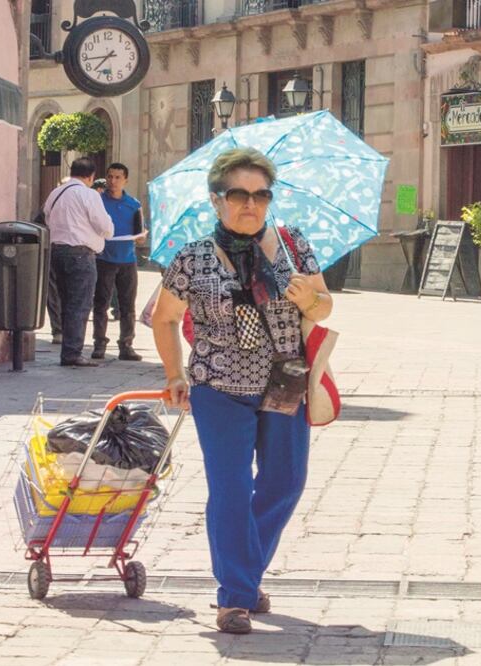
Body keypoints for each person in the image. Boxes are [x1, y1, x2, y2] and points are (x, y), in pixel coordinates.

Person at [152, 148, 331, 634]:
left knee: (285, 482)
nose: (251, 204)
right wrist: (174, 374)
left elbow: (325, 305)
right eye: (239, 194)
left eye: (261, 194)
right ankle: (234, 596)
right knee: (230, 490)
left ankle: (245, 578)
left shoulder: (293, 246)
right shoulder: (193, 256)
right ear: (217, 200)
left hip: (284, 382)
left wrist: (307, 296)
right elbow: (163, 318)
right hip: (219, 386)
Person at [43, 157, 113, 367]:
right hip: (81, 254)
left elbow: (47, 218)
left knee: (65, 302)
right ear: (91, 176)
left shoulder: (55, 193)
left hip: (57, 252)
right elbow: (105, 227)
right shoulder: (88, 194)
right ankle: (72, 353)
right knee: (80, 305)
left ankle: (68, 349)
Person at [92, 163, 145, 361]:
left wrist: (141, 238)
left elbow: (140, 233)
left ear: (125, 180)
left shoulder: (134, 204)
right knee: (101, 304)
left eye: (117, 177)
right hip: (103, 258)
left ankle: (126, 344)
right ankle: (99, 343)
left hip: (127, 260)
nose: (113, 181)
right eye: (110, 177)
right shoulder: (98, 201)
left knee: (127, 305)